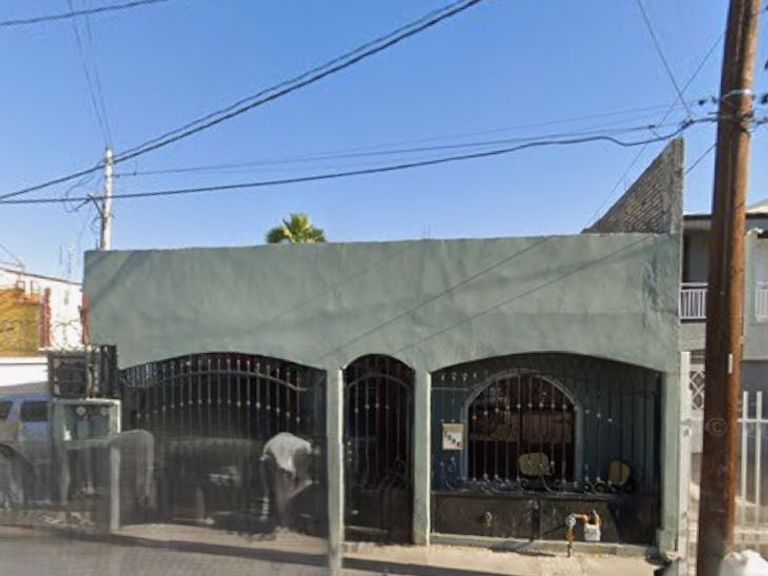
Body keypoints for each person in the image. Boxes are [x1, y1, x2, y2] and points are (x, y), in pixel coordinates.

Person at [260, 432, 313, 530]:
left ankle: (285, 523)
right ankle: (285, 523)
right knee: (282, 495)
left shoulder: (294, 447)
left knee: (283, 495)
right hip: (281, 463)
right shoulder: (298, 447)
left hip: (282, 463)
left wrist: (290, 494)